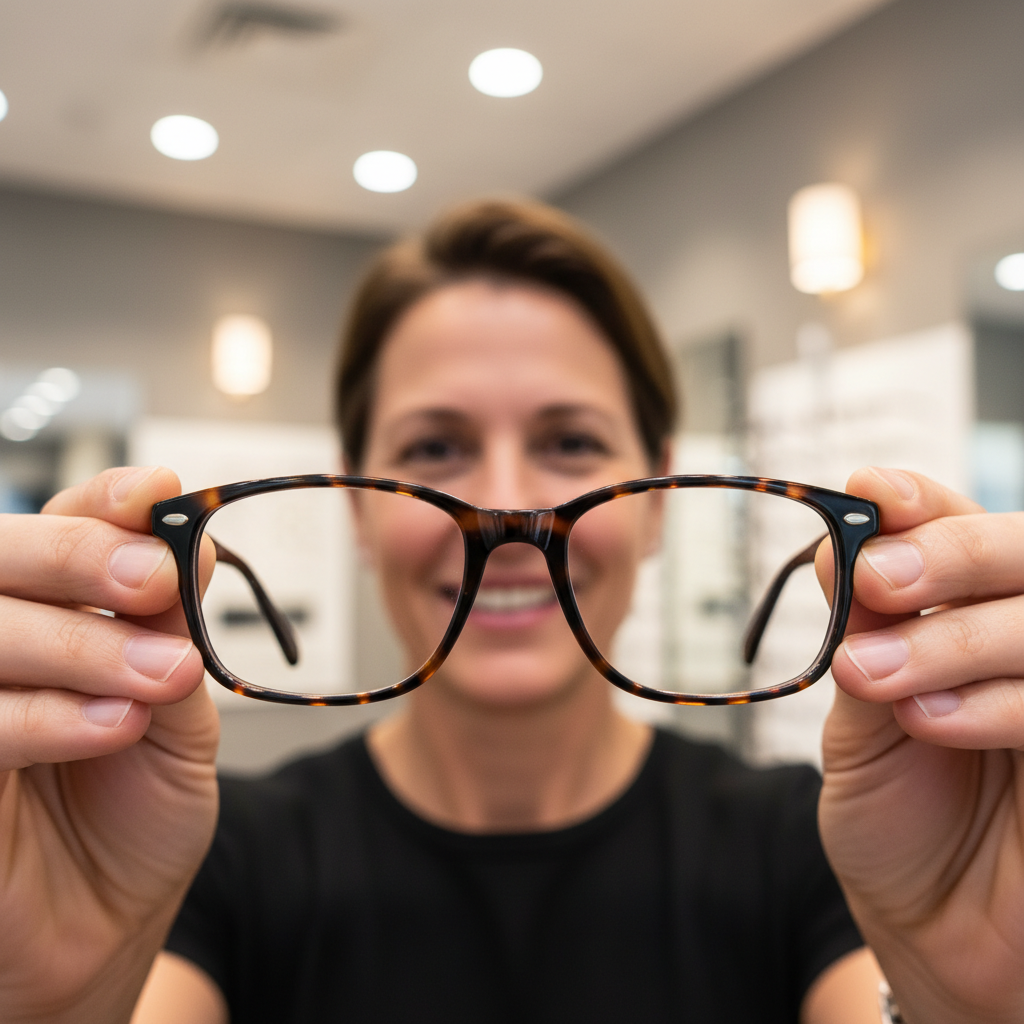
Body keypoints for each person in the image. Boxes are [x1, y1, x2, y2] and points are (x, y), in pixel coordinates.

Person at [0, 199, 1020, 1024]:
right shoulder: (216, 854)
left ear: (660, 492)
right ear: (358, 502)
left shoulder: (817, 843)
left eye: (571, 441)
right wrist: (51, 1000)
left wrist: (969, 997)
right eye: (434, 448)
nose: (507, 507)